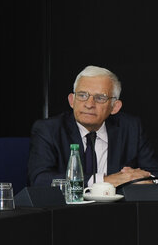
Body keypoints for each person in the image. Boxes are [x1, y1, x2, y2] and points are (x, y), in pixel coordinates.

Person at [28, 65, 158, 187]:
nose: (89, 104)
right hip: (67, 209)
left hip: (118, 209)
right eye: (82, 95)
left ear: (115, 107)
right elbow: (40, 179)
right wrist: (105, 181)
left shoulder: (131, 128)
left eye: (100, 98)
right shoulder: (49, 130)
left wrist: (141, 179)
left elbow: (153, 174)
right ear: (72, 100)